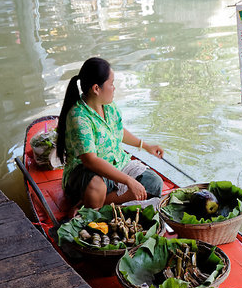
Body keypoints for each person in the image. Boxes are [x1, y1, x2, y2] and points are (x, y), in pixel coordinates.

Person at [56, 57, 164, 210]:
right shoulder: (78, 116)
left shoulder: (109, 106)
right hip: (88, 173)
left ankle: (96, 203)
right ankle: (92, 201)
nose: (114, 88)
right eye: (111, 84)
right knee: (96, 186)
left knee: (154, 183)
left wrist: (146, 146)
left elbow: (118, 131)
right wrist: (128, 181)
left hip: (117, 164)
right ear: (96, 88)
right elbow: (90, 161)